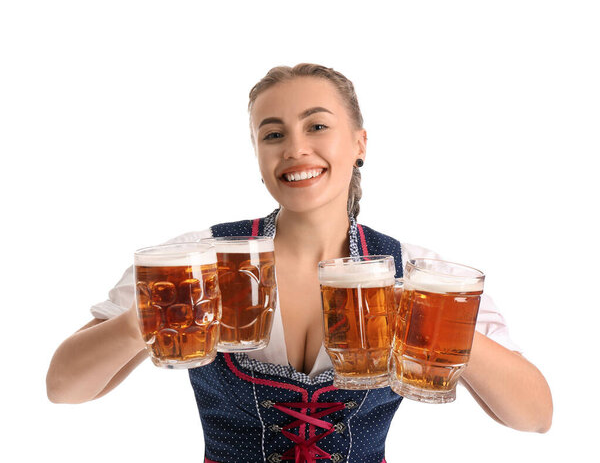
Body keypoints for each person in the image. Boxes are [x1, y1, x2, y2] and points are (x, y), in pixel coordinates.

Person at [46, 63, 553, 462]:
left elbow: (535, 416)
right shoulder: (199, 262)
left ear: (359, 143)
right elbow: (64, 389)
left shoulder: (416, 272)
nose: (295, 148)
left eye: (317, 126)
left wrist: (431, 324)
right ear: (257, 153)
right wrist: (153, 317)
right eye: (273, 134)